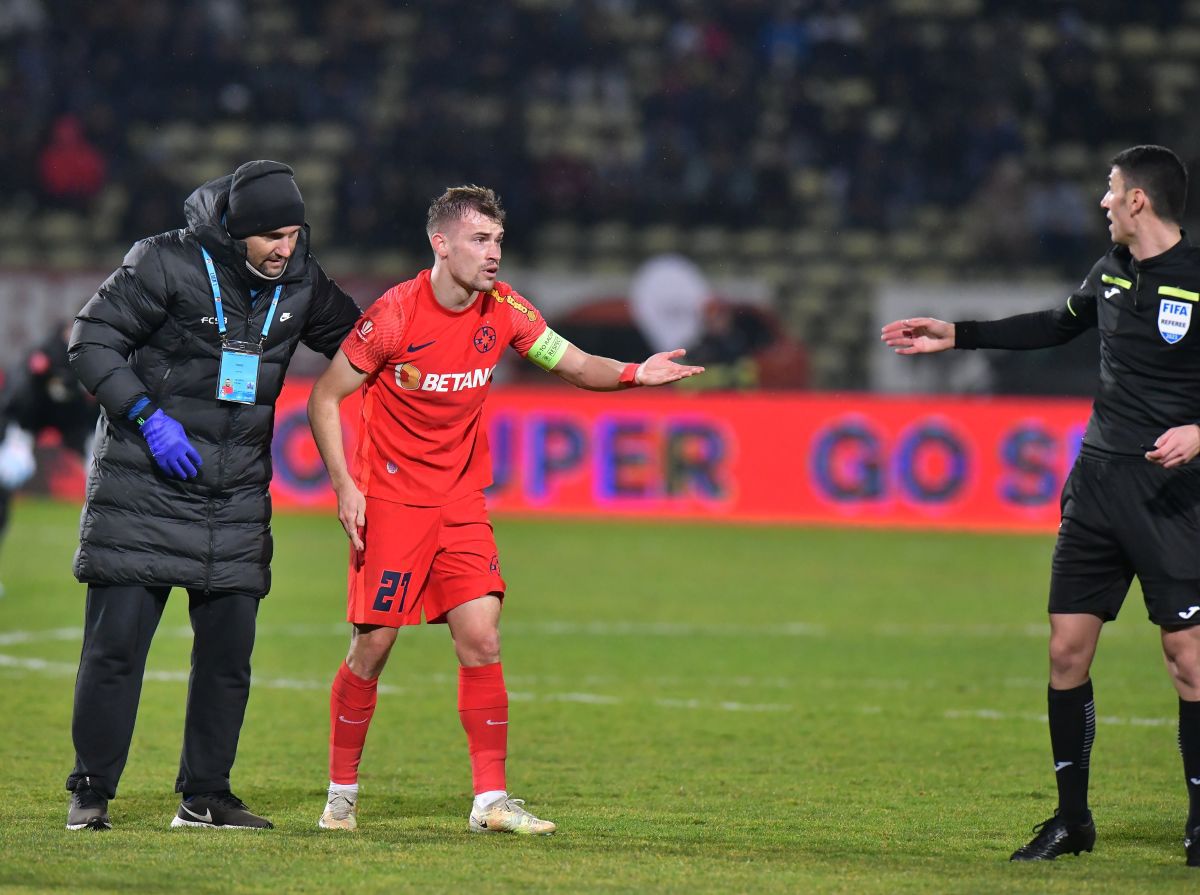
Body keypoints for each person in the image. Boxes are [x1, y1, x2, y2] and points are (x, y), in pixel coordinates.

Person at [307, 185, 704, 834]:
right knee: (373, 648)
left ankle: (490, 800)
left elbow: (574, 363)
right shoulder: (395, 316)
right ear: (441, 243)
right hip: (394, 503)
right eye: (479, 240)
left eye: (497, 240)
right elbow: (325, 398)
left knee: (482, 636)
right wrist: (346, 485)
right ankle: (342, 796)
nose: (493, 253)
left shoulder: (505, 308)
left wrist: (635, 373)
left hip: (461, 502)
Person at [881, 145, 1200, 867]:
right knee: (1065, 651)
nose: (1103, 201)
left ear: (1140, 201)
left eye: (1111, 190)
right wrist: (958, 334)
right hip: (1097, 485)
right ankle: (1071, 819)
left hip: (1173, 495)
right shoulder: (1110, 270)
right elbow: (1055, 323)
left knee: (1188, 660)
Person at [64, 160, 362, 831]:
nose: (285, 249)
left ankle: (205, 795)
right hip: (144, 488)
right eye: (272, 237)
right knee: (115, 653)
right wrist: (146, 414)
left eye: (294, 234)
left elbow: (368, 340)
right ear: (236, 231)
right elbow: (92, 340)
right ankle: (90, 789)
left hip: (234, 499)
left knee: (228, 659)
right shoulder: (164, 263)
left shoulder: (300, 281)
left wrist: (445, 316)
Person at [0, 321, 98, 594]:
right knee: (8, 476)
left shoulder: (91, 356)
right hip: (23, 424)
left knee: (102, 478)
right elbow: (17, 396)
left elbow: (90, 405)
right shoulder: (44, 356)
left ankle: (111, 559)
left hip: (75, 427)